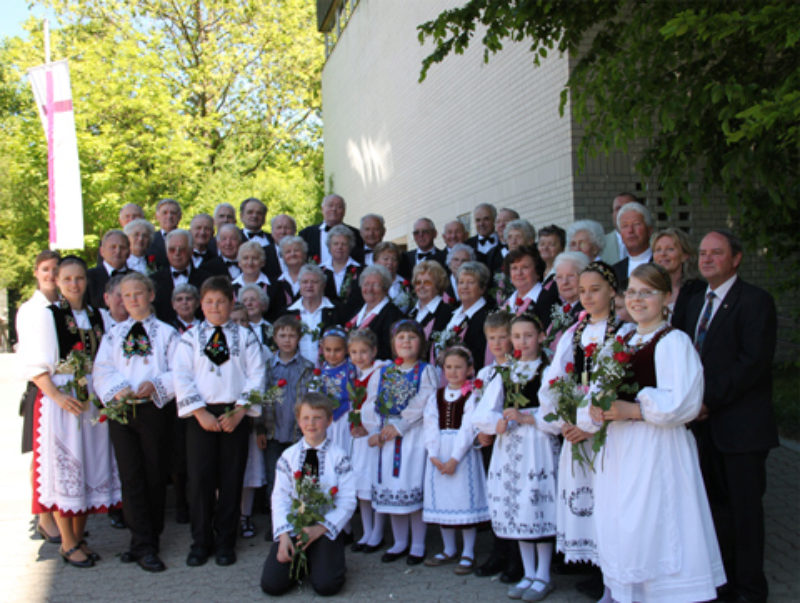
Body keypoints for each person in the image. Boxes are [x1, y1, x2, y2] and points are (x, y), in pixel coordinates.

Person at [588, 263, 725, 603]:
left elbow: (685, 401)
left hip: (656, 447)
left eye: (647, 292)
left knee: (655, 521)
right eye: (632, 291)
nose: (637, 299)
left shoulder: (674, 341)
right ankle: (628, 591)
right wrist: (594, 409)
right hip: (621, 449)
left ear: (666, 297)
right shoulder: (622, 339)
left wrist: (634, 409)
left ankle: (663, 593)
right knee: (625, 521)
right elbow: (598, 387)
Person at [672, 230, 778, 603]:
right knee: (714, 512)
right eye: (702, 253)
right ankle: (721, 584)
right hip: (701, 429)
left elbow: (751, 365)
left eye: (717, 253)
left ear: (736, 258)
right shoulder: (694, 299)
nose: (707, 259)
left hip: (740, 430)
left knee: (745, 514)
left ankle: (749, 590)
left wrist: (705, 401)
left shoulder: (755, 302)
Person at [536, 261, 632, 590]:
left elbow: (614, 384)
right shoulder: (574, 334)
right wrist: (563, 418)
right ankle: (600, 576)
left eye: (595, 290)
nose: (588, 297)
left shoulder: (624, 333)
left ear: (612, 291)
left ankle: (614, 583)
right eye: (582, 291)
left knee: (612, 506)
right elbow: (553, 380)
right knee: (587, 505)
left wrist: (589, 423)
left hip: (609, 434)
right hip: (576, 433)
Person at [23, 256, 121, 568]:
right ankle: (66, 542)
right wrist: (57, 397)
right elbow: (37, 367)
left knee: (89, 469)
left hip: (92, 401)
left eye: (79, 278)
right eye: (67, 279)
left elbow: (107, 360)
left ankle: (79, 536)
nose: (74, 284)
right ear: (58, 282)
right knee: (67, 469)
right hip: (62, 403)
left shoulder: (98, 315)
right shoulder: (48, 316)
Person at [173, 276, 265, 567]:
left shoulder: (246, 337)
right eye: (209, 302)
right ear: (201, 304)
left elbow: (256, 374)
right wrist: (200, 412)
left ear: (231, 303)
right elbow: (182, 376)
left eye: (221, 302)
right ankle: (201, 542)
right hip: (200, 414)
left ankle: (226, 541)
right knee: (200, 481)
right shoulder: (189, 338)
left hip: (233, 414)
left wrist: (240, 411)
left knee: (230, 479)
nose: (215, 307)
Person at [92, 272, 179, 573]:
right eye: (126, 296)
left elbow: (180, 370)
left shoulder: (168, 333)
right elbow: (102, 369)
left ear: (151, 295)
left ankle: (148, 539)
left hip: (153, 410)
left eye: (138, 294)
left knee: (153, 474)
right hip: (122, 411)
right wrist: (118, 390)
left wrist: (156, 384)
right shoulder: (114, 334)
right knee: (130, 476)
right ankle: (140, 541)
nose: (132, 300)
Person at [472, 313, 559, 602]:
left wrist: (527, 417)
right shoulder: (507, 371)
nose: (522, 341)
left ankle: (544, 574)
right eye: (517, 336)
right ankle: (528, 572)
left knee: (536, 501)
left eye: (528, 335)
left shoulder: (549, 370)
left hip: (538, 446)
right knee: (517, 505)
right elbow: (484, 410)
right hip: (510, 448)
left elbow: (559, 414)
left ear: (541, 337)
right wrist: (496, 422)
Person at [260, 392, 357, 597]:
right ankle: (303, 561)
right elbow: (280, 498)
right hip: (295, 526)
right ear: (298, 421)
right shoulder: (288, 456)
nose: (311, 424)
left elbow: (347, 501)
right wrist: (284, 535)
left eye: (317, 418)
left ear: (329, 421)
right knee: (271, 584)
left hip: (323, 528)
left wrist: (320, 529)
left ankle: (326, 560)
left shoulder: (339, 457)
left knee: (327, 586)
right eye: (305, 418)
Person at [361, 320, 438, 565]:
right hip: (386, 437)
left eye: (412, 337)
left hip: (411, 437)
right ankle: (399, 542)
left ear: (421, 343)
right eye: (401, 337)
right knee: (392, 489)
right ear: (394, 344)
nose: (406, 342)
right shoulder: (382, 371)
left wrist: (400, 425)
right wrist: (374, 428)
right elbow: (371, 401)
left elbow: (424, 400)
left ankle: (417, 544)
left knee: (410, 486)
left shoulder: (425, 370)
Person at [422, 346, 490, 575]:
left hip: (462, 453)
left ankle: (468, 551)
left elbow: (468, 427)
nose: (452, 372)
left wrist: (455, 458)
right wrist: (433, 454)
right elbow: (430, 424)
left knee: (463, 502)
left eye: (458, 367)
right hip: (440, 452)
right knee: (444, 502)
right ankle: (448, 548)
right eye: (448, 367)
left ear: (469, 369)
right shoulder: (436, 395)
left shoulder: (472, 395)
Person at [469, 310, 522, 583]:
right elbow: (477, 404)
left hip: (512, 441)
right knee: (495, 496)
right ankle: (498, 550)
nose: (498, 344)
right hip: (491, 442)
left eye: (503, 337)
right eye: (493, 338)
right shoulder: (486, 371)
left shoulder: (517, 370)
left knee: (512, 495)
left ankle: (516, 557)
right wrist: (481, 431)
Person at [15, 250, 61, 544]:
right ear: (36, 272)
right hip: (43, 389)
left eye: (56, 269)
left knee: (58, 457)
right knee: (41, 458)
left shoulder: (64, 305)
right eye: (45, 269)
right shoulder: (30, 310)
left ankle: (58, 515)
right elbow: (30, 359)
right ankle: (44, 518)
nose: (51, 274)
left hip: (64, 388)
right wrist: (53, 392)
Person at [258, 315, 315, 538]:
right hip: (273, 431)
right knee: (275, 480)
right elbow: (260, 399)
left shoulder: (307, 368)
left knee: (299, 478)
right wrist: (259, 428)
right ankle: (278, 524)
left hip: (298, 432)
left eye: (292, 335)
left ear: (299, 338)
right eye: (282, 335)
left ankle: (299, 520)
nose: (287, 340)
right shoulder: (267, 368)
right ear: (274, 338)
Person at [345, 329, 388, 553]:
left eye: (363, 352)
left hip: (372, 435)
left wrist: (368, 426)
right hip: (359, 436)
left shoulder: (379, 372)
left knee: (373, 483)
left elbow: (376, 404)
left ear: (374, 351)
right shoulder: (356, 375)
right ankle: (366, 530)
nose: (359, 356)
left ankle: (378, 532)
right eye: (354, 352)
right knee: (361, 485)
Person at [344, 265, 405, 361]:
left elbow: (391, 351)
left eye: (375, 285)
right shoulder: (357, 311)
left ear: (386, 288)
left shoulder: (393, 315)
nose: (369, 289)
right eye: (366, 284)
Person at [440, 261, 493, 372]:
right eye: (461, 282)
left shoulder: (486, 317)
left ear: (482, 288)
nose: (464, 287)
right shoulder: (453, 315)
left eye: (470, 282)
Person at [151, 229, 211, 323]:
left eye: (182, 249)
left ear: (191, 251)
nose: (177, 253)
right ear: (166, 253)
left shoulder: (207, 280)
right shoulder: (154, 280)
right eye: (172, 250)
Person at [285, 264, 340, 365]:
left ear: (323, 285)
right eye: (305, 282)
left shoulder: (337, 311)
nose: (309, 286)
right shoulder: (288, 313)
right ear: (299, 285)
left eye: (314, 282)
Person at [315, 327, 357, 453]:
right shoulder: (320, 372)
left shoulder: (353, 369)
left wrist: (357, 419)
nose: (332, 354)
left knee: (346, 450)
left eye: (337, 350)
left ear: (346, 349)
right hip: (327, 419)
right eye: (328, 350)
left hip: (346, 417)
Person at [650, 227, 703, 320]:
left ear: (684, 256)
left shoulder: (698, 291)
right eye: (658, 250)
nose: (662, 254)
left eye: (670, 249)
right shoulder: (646, 288)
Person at [501, 246, 559, 327]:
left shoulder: (547, 300)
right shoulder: (508, 300)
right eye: (514, 268)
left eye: (525, 267)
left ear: (537, 271)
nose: (519, 273)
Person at [299, 193, 364, 266]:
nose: (334, 209)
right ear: (322, 209)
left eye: (339, 207)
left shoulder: (357, 235)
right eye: (330, 206)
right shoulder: (306, 235)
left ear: (344, 211)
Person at [409, 260, 454, 361]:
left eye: (427, 283)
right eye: (418, 282)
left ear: (438, 286)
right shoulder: (410, 313)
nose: (421, 286)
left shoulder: (447, 313)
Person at [232, 240, 284, 321]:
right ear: (239, 263)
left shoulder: (276, 286)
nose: (250, 263)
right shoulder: (230, 288)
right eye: (245, 258)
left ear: (262, 262)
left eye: (255, 258)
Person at [321, 224, 363, 316]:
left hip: (354, 320)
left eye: (344, 244)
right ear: (329, 246)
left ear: (350, 246)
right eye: (335, 243)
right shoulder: (319, 271)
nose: (339, 247)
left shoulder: (362, 270)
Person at [612, 201, 654, 290]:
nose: (630, 230)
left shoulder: (660, 263)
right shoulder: (615, 271)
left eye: (636, 224)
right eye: (625, 226)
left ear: (649, 230)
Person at [87, 229, 131, 309]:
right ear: (102, 251)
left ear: (129, 252)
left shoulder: (136, 277)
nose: (118, 251)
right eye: (113, 247)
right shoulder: (89, 277)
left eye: (122, 247)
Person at [238, 197, 281, 279]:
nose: (254, 216)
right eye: (250, 212)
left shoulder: (274, 239)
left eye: (259, 213)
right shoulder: (234, 239)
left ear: (264, 218)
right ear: (241, 216)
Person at [373, 241, 414, 314]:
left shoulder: (407, 284)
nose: (390, 262)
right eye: (386, 259)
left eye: (394, 259)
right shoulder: (368, 284)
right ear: (375, 261)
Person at [600, 192, 637, 265]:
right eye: (618, 208)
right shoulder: (600, 245)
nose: (622, 212)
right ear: (612, 214)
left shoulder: (653, 243)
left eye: (627, 208)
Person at [146, 198, 182, 269]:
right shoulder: (149, 240)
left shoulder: (188, 239)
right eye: (165, 213)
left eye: (173, 213)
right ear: (157, 216)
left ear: (180, 216)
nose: (169, 216)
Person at [275, 235, 308, 309]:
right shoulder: (276, 283)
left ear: (305, 254)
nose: (292, 254)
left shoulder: (316, 278)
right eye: (288, 252)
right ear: (282, 257)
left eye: (296, 250)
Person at [484, 207, 520, 273]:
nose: (501, 225)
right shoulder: (491, 254)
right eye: (498, 222)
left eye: (506, 221)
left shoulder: (528, 249)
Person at [240, 284, 272, 348]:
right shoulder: (236, 328)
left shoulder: (272, 328)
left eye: (253, 299)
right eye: (245, 300)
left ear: (263, 304)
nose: (248, 303)